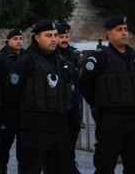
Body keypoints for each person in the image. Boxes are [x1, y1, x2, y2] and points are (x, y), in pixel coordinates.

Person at [79, 15, 135, 174]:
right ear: (108, 34)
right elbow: (85, 85)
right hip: (111, 121)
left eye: (125, 29)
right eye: (119, 30)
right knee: (105, 165)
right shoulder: (100, 57)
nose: (124, 33)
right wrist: (100, 104)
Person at [6, 20, 72, 174]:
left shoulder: (62, 63)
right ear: (37, 38)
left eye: (55, 35)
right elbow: (11, 96)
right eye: (49, 35)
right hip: (34, 131)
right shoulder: (24, 63)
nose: (54, 39)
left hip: (59, 129)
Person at [0, 27, 25, 174]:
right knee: (6, 141)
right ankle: (2, 167)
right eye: (15, 39)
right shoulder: (1, 58)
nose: (19, 41)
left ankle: (21, 167)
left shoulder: (26, 57)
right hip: (7, 107)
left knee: (23, 141)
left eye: (20, 38)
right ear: (8, 41)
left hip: (24, 107)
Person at [56, 21, 83, 174]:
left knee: (73, 135)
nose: (65, 39)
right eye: (61, 36)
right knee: (60, 140)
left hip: (73, 104)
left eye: (66, 36)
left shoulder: (73, 55)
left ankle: (70, 163)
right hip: (59, 106)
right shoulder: (53, 56)